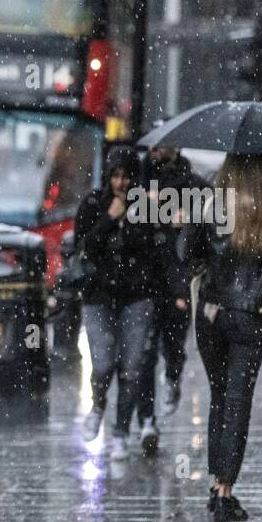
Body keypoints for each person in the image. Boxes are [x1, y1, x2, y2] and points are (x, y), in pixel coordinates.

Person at [182, 153, 262, 522]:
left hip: (212, 312)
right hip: (250, 316)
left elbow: (188, 252)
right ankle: (225, 489)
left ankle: (217, 486)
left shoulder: (213, 203)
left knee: (219, 397)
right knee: (237, 401)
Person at [75, 146, 159, 460]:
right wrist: (109, 220)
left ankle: (122, 432)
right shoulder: (93, 204)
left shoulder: (145, 209)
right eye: (115, 176)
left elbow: (151, 251)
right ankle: (98, 406)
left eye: (126, 176)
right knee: (103, 362)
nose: (121, 183)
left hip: (136, 297)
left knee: (132, 368)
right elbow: (86, 247)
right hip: (99, 297)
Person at [136, 146, 204, 439]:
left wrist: (189, 220)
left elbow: (211, 220)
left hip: (178, 280)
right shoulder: (139, 180)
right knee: (144, 353)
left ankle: (173, 379)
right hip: (145, 279)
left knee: (174, 345)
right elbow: (131, 219)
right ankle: (147, 420)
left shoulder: (193, 184)